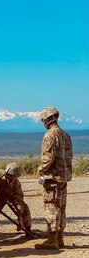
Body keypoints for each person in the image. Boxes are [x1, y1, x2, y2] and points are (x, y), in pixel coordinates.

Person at [35, 107, 73, 250]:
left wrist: (40, 171)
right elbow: (69, 157)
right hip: (63, 178)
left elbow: (48, 158)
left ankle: (52, 240)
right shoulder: (65, 135)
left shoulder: (50, 135)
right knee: (61, 208)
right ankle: (60, 238)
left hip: (52, 179)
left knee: (51, 207)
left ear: (48, 119)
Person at [0, 162, 32, 244]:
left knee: (24, 210)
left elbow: (18, 201)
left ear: (15, 176)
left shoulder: (16, 184)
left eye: (11, 176)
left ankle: (27, 229)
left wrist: (20, 218)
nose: (9, 177)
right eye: (7, 174)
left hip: (12, 197)